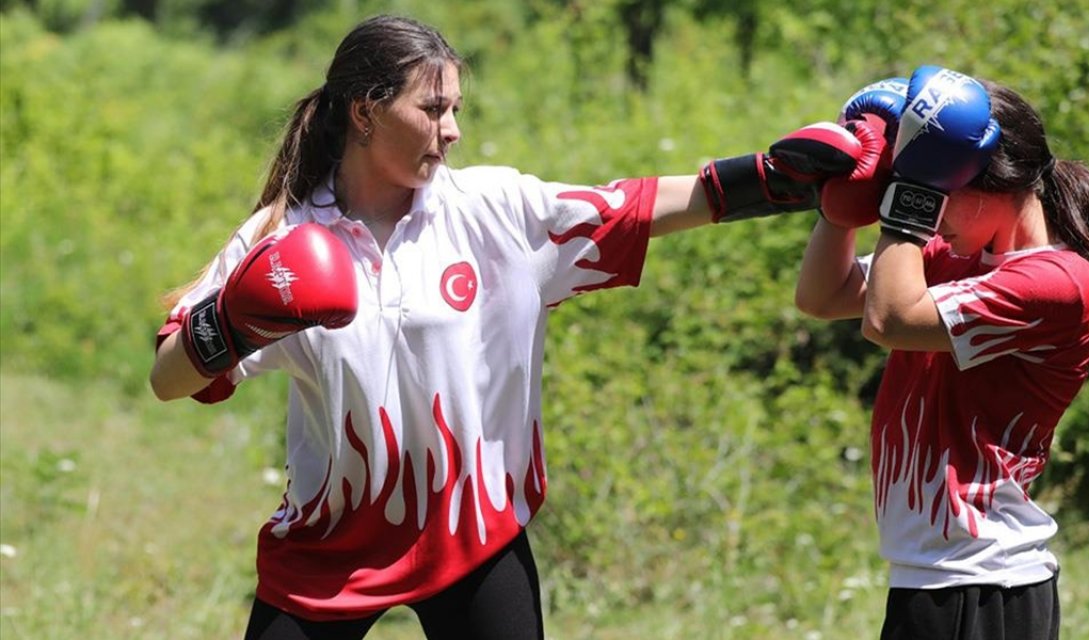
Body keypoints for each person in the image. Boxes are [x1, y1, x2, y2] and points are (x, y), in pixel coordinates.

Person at [149, 14, 885, 640]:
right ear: (365, 113)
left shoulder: (493, 211)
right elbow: (169, 378)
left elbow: (639, 205)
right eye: (433, 110)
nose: (454, 130)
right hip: (326, 547)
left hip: (474, 534)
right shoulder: (281, 237)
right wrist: (234, 321)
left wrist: (780, 176)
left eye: (456, 108)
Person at [796, 65, 1089, 640]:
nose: (930, 212)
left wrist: (910, 194)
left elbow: (889, 318)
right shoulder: (949, 256)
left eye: (938, 192)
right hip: (942, 580)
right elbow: (822, 296)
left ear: (993, 182)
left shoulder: (1061, 282)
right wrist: (841, 207)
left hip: (982, 586)